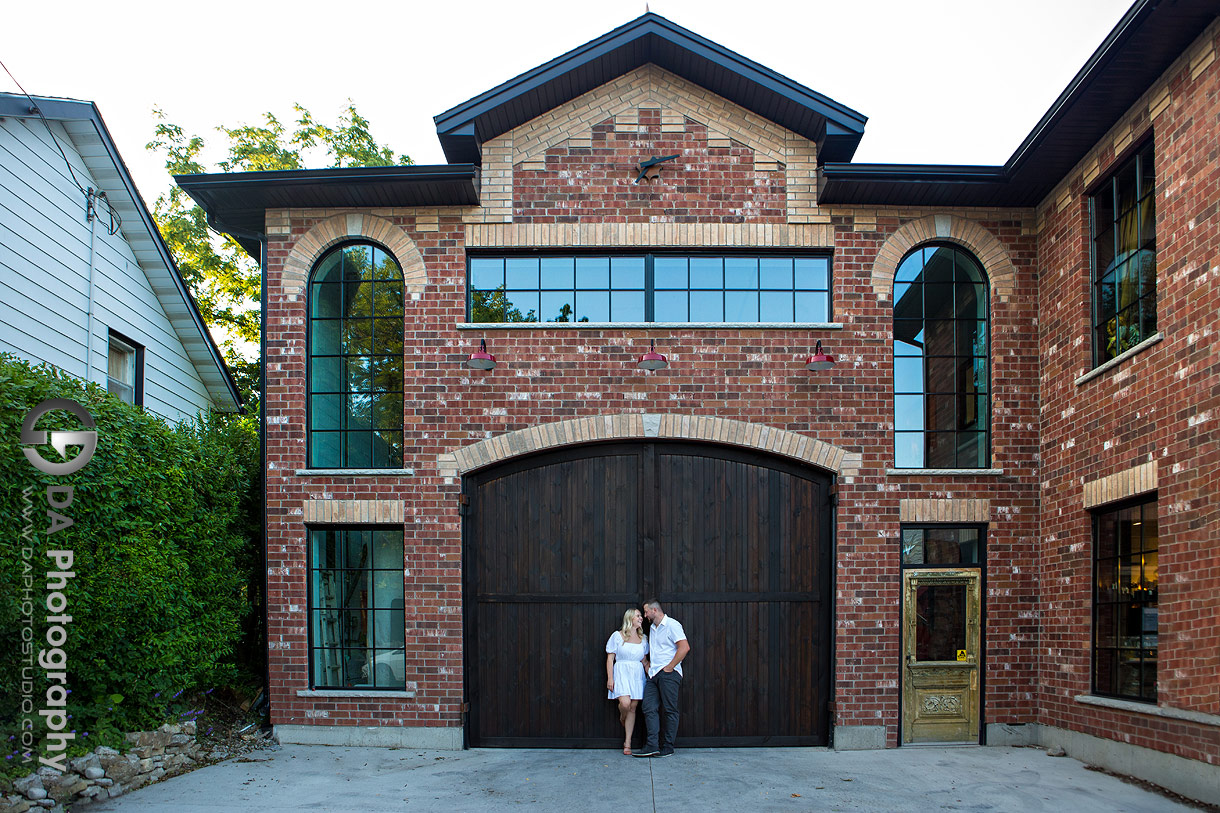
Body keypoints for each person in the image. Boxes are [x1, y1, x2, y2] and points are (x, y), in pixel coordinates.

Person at [634, 599, 689, 758]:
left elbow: (684, 647)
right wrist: (648, 665)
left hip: (669, 674)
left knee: (670, 710)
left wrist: (670, 667)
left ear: (655, 610)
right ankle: (652, 746)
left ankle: (668, 747)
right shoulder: (652, 628)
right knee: (648, 707)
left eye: (646, 612)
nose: (645, 615)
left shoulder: (672, 625)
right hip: (653, 674)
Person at [606, 608, 649, 755]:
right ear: (630, 618)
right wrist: (610, 678)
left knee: (633, 707)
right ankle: (622, 716)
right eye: (638, 616)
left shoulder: (643, 638)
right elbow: (610, 658)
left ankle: (628, 743)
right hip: (621, 673)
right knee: (625, 704)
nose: (641, 618)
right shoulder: (617, 636)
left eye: (641, 616)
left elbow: (643, 659)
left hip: (637, 674)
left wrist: (649, 669)